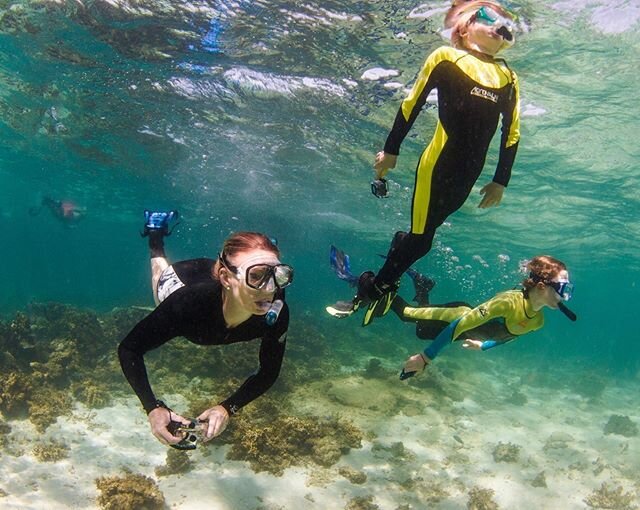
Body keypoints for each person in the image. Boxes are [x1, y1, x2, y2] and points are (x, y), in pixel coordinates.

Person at [331, 1, 521, 326]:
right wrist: (391, 150)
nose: (498, 24)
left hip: (467, 176)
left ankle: (392, 261)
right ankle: (371, 289)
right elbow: (412, 103)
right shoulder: (446, 57)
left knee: (423, 238)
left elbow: (512, 132)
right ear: (464, 26)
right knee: (422, 239)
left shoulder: (508, 77)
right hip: (436, 168)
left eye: (504, 20)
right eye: (488, 16)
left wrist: (500, 180)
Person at [118, 210, 294, 448]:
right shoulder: (187, 305)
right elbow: (130, 349)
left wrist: (227, 408)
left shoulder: (276, 311)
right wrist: (153, 408)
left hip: (220, 274)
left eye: (278, 275)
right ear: (225, 277)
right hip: (184, 276)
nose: (269, 289)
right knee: (159, 282)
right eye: (258, 275)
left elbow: (268, 372)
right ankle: (155, 234)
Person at [395, 255, 576, 379]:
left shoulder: (538, 321)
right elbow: (462, 323)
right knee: (407, 314)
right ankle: (375, 287)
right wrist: (425, 358)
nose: (565, 296)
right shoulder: (508, 302)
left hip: (466, 332)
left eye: (567, 289)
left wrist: (484, 346)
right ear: (542, 287)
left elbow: (512, 335)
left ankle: (423, 285)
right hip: (456, 316)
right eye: (562, 288)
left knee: (421, 331)